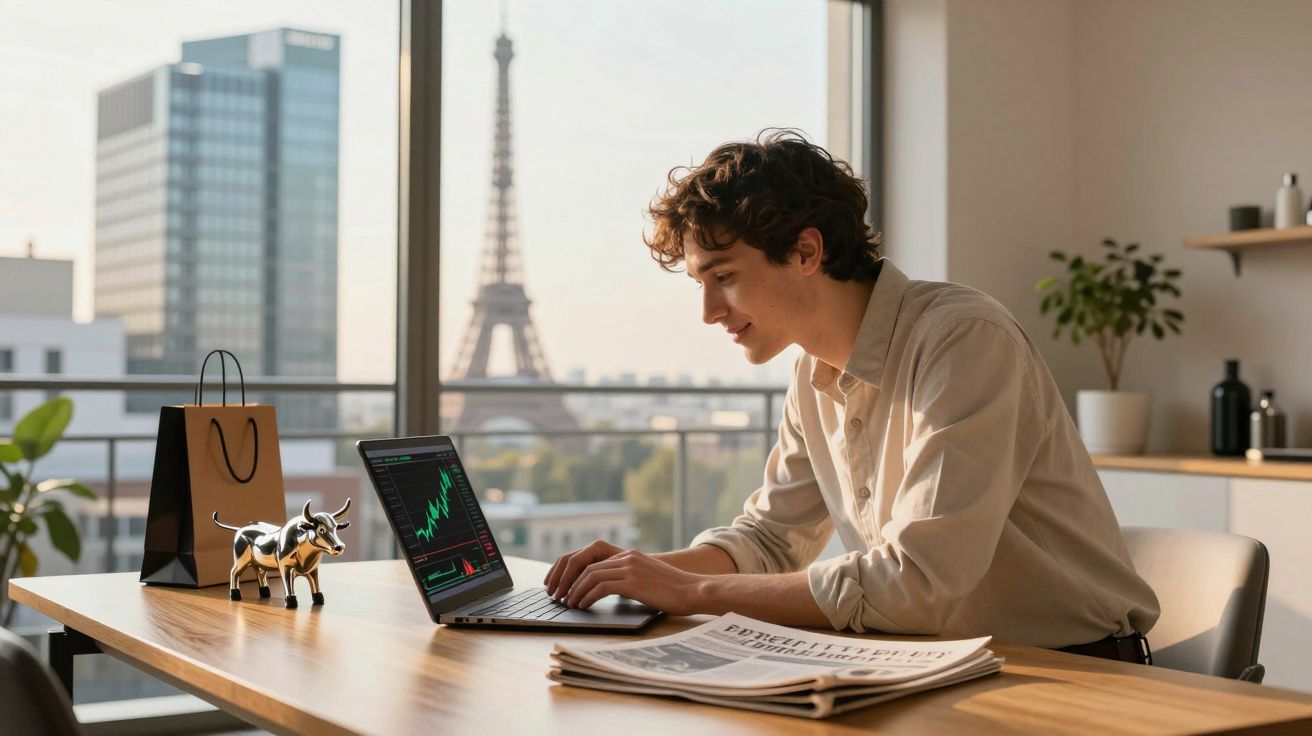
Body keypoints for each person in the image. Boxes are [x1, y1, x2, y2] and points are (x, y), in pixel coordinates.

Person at [544, 129, 1159, 660]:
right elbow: (769, 542)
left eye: (724, 278)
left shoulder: (965, 340)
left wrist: (693, 593)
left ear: (806, 251)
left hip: (1075, 671)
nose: (708, 313)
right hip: (940, 665)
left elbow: (915, 583)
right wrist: (639, 575)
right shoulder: (812, 375)